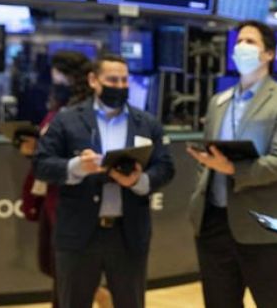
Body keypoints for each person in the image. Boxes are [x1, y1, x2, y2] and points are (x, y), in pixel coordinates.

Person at [35, 53, 175, 308]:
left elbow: (165, 167)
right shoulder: (66, 120)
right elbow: (41, 164)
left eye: (124, 80)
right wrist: (76, 167)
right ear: (93, 80)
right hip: (77, 233)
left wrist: (138, 181)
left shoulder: (147, 123)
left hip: (128, 234)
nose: (119, 86)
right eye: (112, 80)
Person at [187, 20, 277, 308]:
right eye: (239, 41)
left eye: (250, 41)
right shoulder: (219, 101)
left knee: (275, 303)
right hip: (213, 222)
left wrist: (233, 170)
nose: (242, 47)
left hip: (263, 224)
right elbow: (208, 155)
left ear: (269, 54)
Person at [18, 51, 113, 308]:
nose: (53, 78)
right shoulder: (57, 108)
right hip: (51, 194)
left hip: (72, 200)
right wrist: (34, 149)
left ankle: (98, 294)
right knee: (55, 266)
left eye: (57, 73)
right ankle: (97, 294)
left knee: (68, 269)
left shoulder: (85, 112)